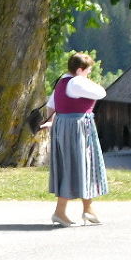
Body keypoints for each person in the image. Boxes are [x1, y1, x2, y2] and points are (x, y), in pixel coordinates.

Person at [43, 52, 108, 227]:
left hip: (66, 125)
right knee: (75, 166)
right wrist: (83, 78)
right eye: (88, 70)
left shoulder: (62, 81)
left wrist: (54, 124)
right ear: (80, 70)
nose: (90, 74)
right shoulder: (77, 82)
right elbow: (101, 92)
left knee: (82, 166)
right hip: (77, 127)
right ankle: (60, 212)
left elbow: (51, 106)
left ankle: (88, 209)